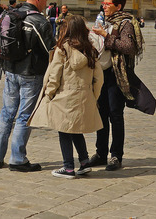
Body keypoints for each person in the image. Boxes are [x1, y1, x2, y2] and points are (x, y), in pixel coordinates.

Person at [0, 0, 56, 172]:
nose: (45, 4)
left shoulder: (9, 14)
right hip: (31, 73)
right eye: (45, 0)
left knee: (6, 113)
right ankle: (17, 159)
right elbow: (50, 51)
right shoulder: (39, 21)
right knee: (24, 116)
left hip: (10, 70)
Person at [30, 14, 104, 178]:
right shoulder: (91, 50)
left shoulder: (63, 49)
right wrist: (94, 96)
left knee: (64, 131)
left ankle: (68, 167)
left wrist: (49, 94)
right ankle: (84, 162)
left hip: (65, 94)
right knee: (76, 130)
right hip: (84, 94)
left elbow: (55, 75)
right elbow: (98, 78)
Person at [86, 0, 150, 172]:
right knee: (101, 114)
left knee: (115, 115)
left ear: (118, 6)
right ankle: (100, 153)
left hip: (116, 74)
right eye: (103, 3)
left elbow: (128, 47)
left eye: (107, 4)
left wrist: (106, 37)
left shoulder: (125, 23)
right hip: (102, 73)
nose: (104, 6)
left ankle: (116, 155)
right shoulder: (104, 20)